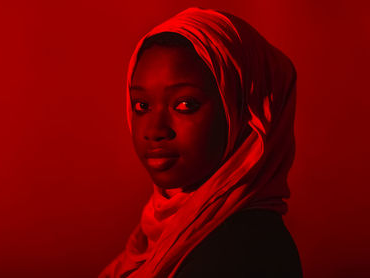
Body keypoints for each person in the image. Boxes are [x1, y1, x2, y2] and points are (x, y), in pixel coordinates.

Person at [99, 7, 302, 278]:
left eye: (185, 104)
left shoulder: (244, 250)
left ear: (242, 112)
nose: (155, 130)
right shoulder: (159, 234)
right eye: (142, 105)